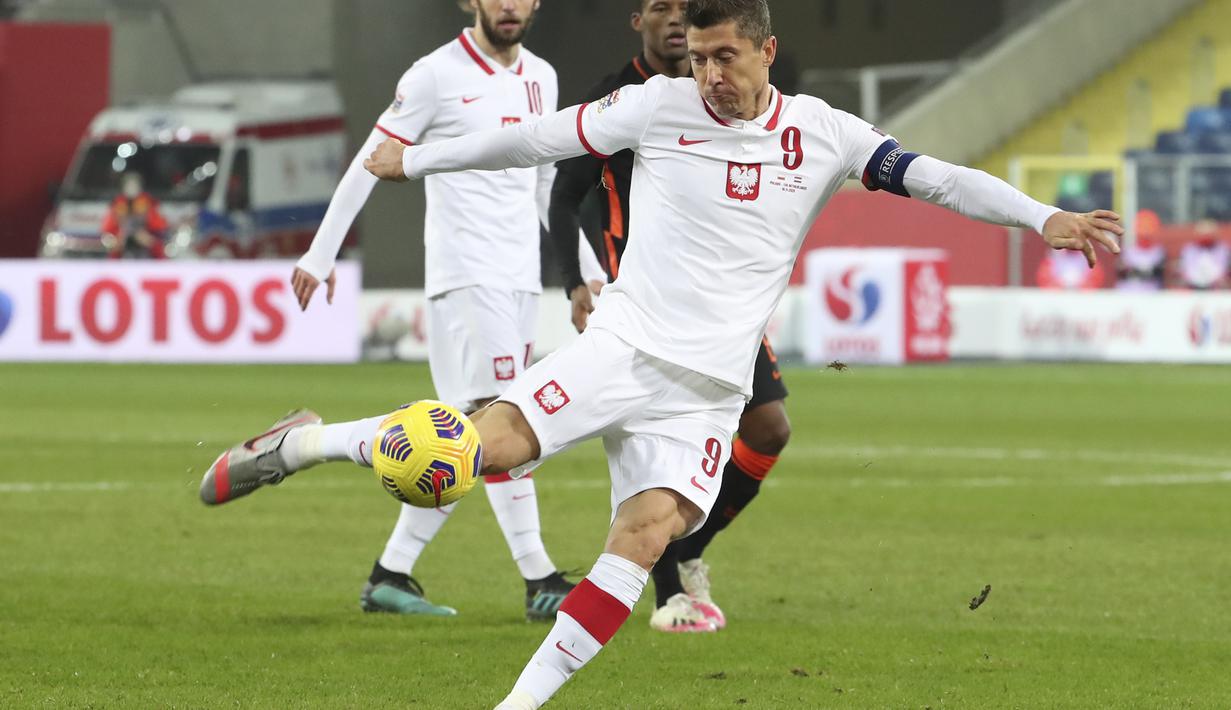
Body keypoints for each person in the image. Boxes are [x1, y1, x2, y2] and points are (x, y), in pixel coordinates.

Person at [204, 1, 1122, 706]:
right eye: (699, 56)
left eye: (726, 55)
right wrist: (417, 162)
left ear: (765, 49)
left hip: (705, 392)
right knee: (467, 456)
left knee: (643, 541)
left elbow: (937, 179)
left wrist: (1046, 217)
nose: (711, 74)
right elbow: (536, 136)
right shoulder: (657, 106)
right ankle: (301, 445)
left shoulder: (824, 133)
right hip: (620, 348)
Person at [210, 0, 601, 622]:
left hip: (520, 277)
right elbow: (374, 160)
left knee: (455, 437)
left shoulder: (541, 76)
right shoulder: (435, 74)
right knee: (503, 426)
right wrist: (321, 250)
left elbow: (544, 182)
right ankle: (541, 580)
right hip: (467, 275)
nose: (508, 4)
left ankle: (388, 572)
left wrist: (583, 272)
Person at [548, 0, 789, 634]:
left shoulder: (722, 99)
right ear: (639, 22)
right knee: (648, 440)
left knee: (769, 429)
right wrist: (574, 280)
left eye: (686, 9)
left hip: (718, 309)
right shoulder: (621, 98)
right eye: (662, 8)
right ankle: (666, 590)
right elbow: (565, 192)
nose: (676, 20)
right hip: (643, 306)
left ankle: (686, 552)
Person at [101, 172, 167, 259]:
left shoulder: (149, 203)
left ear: (140, 187)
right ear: (123, 187)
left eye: (134, 185)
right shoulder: (117, 204)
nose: (132, 188)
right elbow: (107, 231)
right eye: (129, 185)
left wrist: (148, 238)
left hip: (146, 250)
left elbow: (160, 228)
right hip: (122, 249)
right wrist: (118, 239)